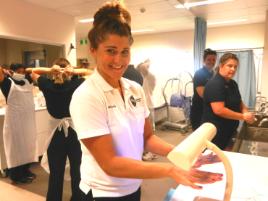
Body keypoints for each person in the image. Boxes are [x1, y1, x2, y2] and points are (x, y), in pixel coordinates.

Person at [70, 2, 222, 201]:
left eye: (125, 51)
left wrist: (184, 154)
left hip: (133, 185)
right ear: (93, 50)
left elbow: (147, 138)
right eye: (111, 50)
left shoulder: (134, 88)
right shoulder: (87, 96)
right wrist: (170, 171)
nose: (119, 60)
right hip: (103, 193)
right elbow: (110, 163)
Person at [28, 58, 92, 201]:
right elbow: (92, 73)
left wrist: (51, 70)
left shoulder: (46, 84)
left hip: (55, 135)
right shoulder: (78, 84)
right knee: (78, 171)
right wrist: (75, 70)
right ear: (69, 71)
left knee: (56, 173)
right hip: (75, 134)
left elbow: (33, 72)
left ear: (54, 71)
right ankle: (79, 198)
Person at [202, 53, 255, 150]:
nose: (233, 69)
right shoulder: (215, 84)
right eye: (229, 66)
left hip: (229, 129)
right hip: (217, 132)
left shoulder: (232, 83)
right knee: (215, 159)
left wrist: (245, 111)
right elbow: (219, 110)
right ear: (221, 65)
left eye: (235, 67)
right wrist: (243, 116)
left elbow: (239, 101)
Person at [0, 63, 37, 184]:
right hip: (14, 124)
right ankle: (16, 176)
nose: (22, 74)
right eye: (19, 71)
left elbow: (36, 71)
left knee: (28, 148)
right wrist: (5, 71)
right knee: (16, 150)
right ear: (12, 71)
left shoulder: (27, 81)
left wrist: (28, 70)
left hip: (28, 122)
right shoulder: (7, 83)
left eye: (23, 71)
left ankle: (25, 170)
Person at [190, 48, 217, 130]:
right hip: (199, 111)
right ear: (204, 60)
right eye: (209, 59)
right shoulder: (199, 74)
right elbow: (203, 94)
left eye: (214, 60)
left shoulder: (213, 74)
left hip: (208, 110)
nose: (212, 62)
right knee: (199, 137)